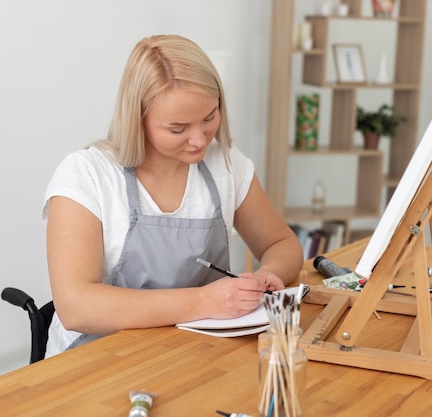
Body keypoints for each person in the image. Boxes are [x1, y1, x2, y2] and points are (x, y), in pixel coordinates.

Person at [43, 35, 303, 357]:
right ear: (138, 119)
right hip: (96, 359)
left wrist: (269, 274)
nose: (198, 140)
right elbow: (76, 307)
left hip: (193, 353)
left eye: (209, 118)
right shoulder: (87, 174)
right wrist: (204, 301)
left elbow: (281, 244)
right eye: (178, 129)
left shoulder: (226, 165)